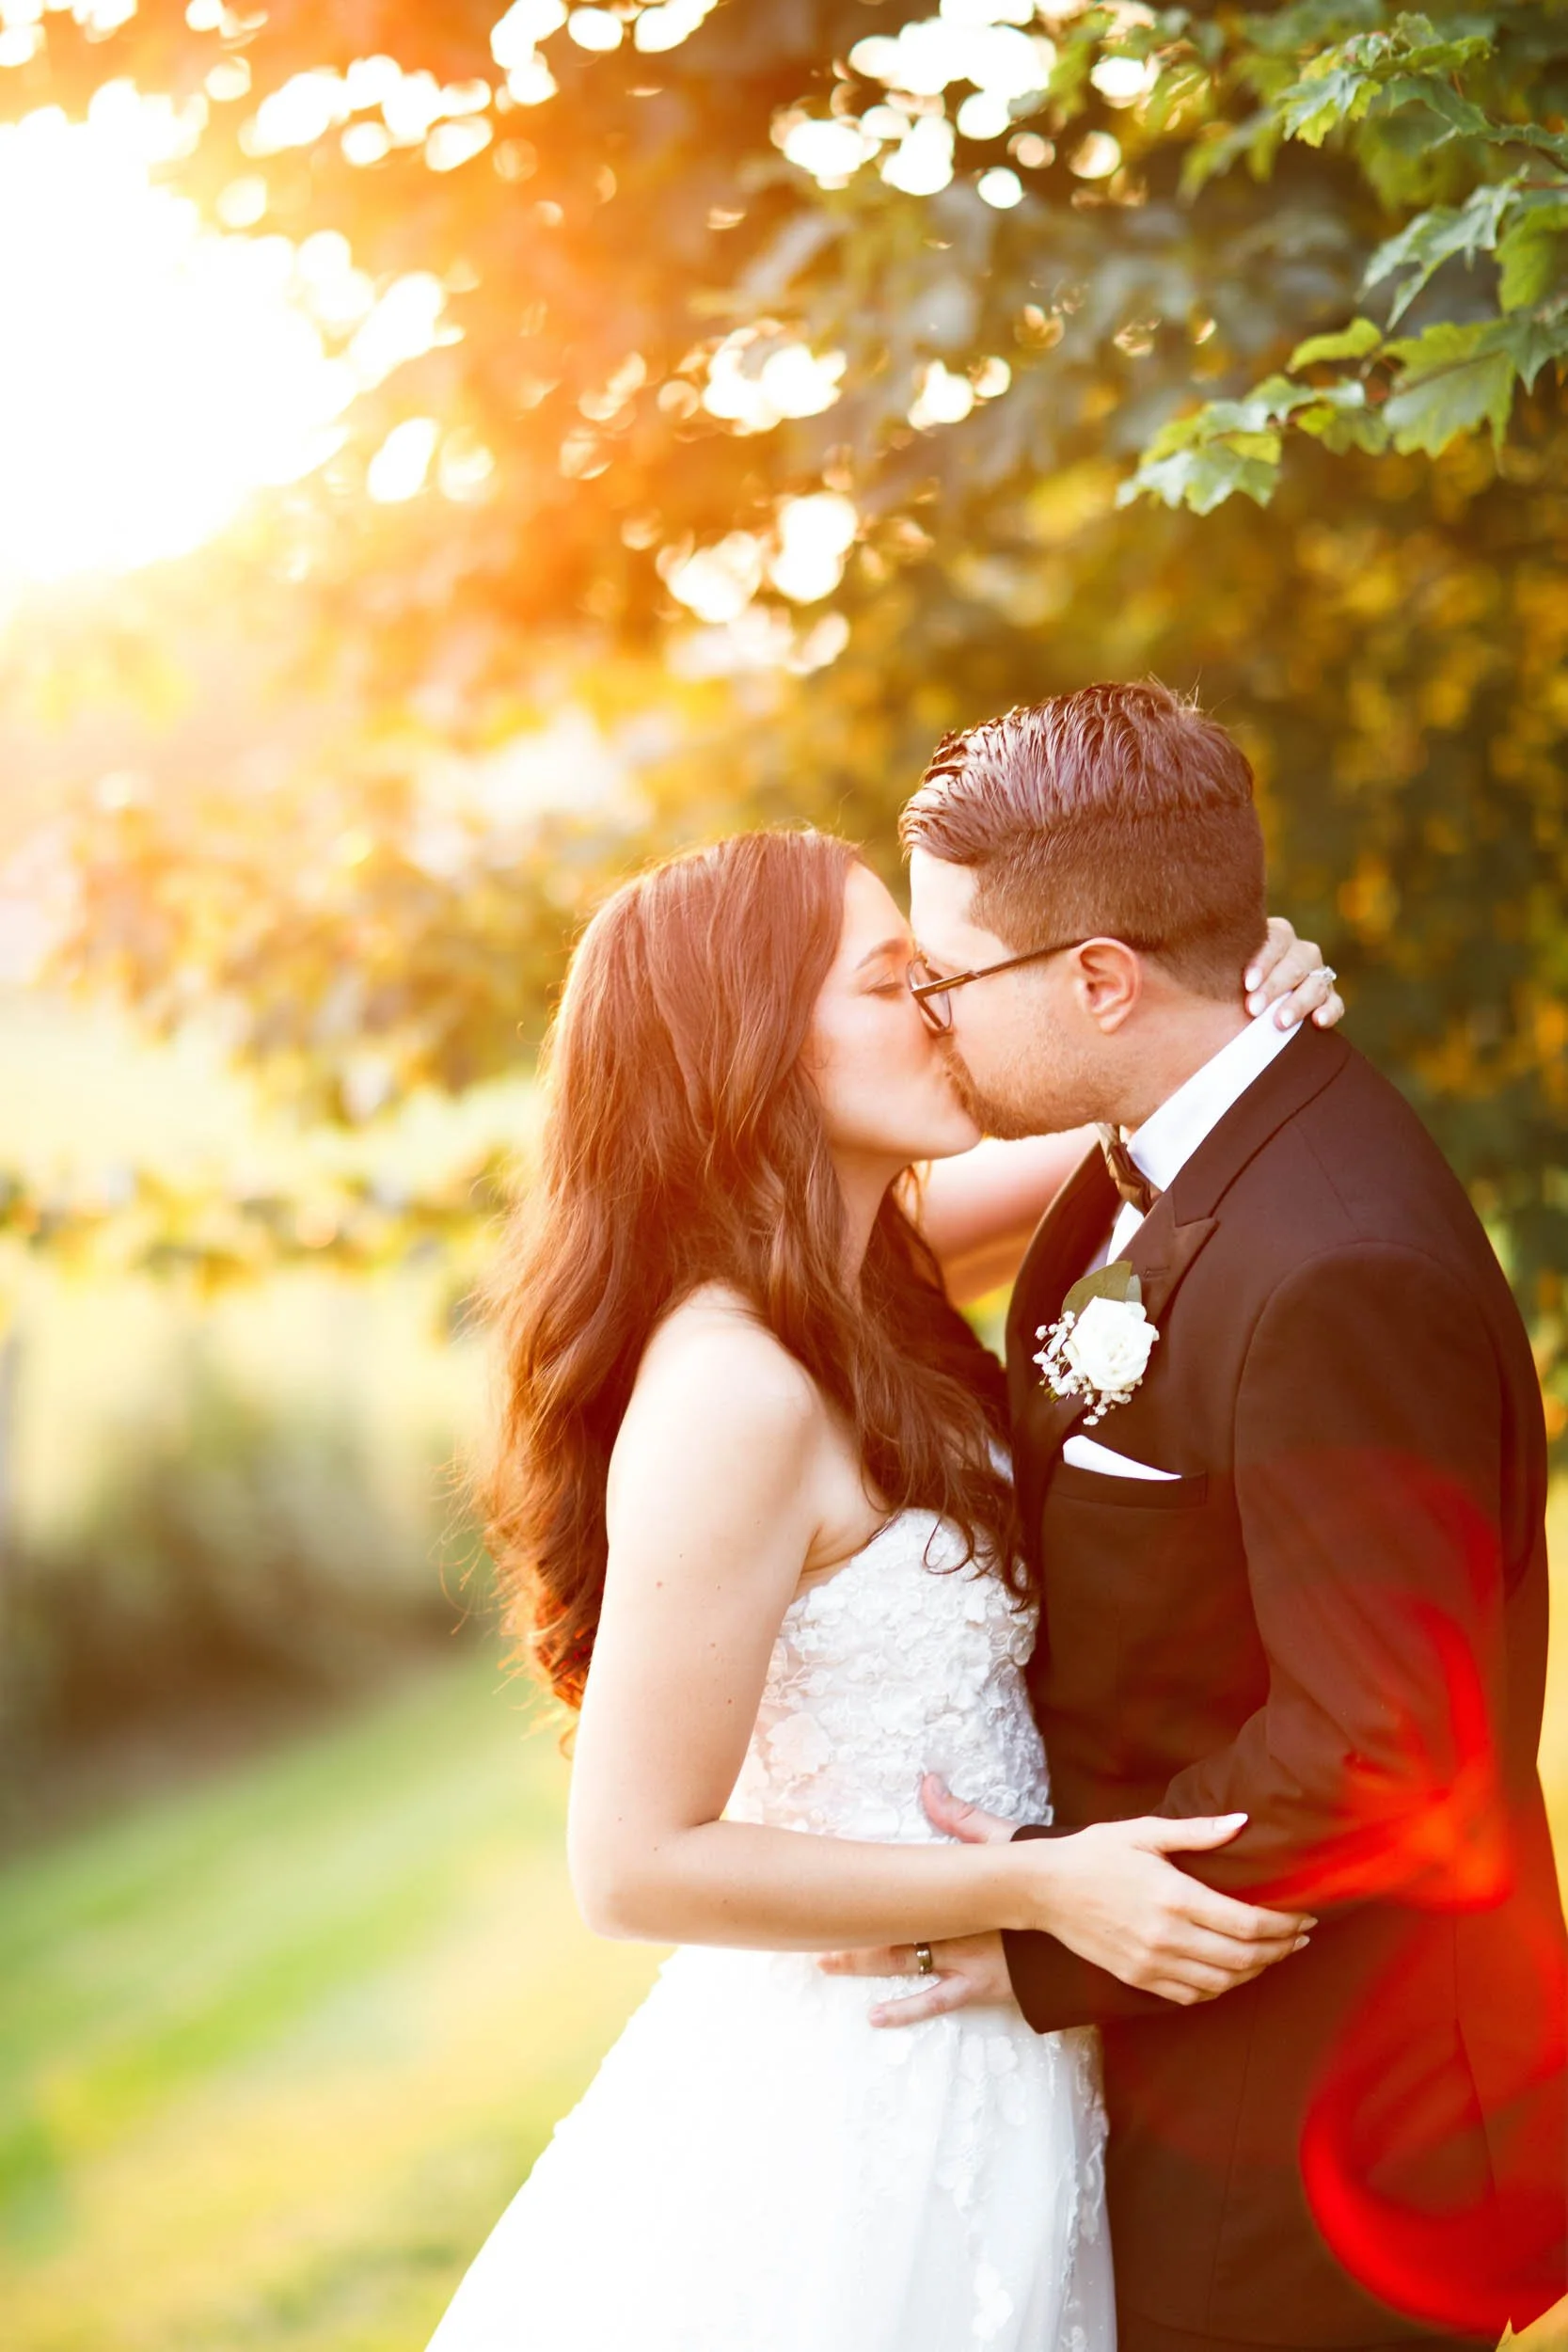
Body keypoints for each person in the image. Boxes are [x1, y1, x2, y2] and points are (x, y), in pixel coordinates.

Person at [425, 824, 1342, 2352]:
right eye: (893, 982)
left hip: (995, 2060)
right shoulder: (729, 1387)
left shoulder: (865, 1279)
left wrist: (1252, 1001)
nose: (944, 1009)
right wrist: (1037, 1885)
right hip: (856, 2096)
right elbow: (631, 1865)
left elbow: (1153, 1101)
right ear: (749, 1048)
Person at [828, 682, 1568, 2352]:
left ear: (1100, 977)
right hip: (1209, 2091)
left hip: (1321, 2136)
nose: (930, 1016)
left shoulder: (1334, 1264)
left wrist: (1045, 1914)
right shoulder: (1145, 1150)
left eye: (947, 978)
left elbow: (1382, 1744)